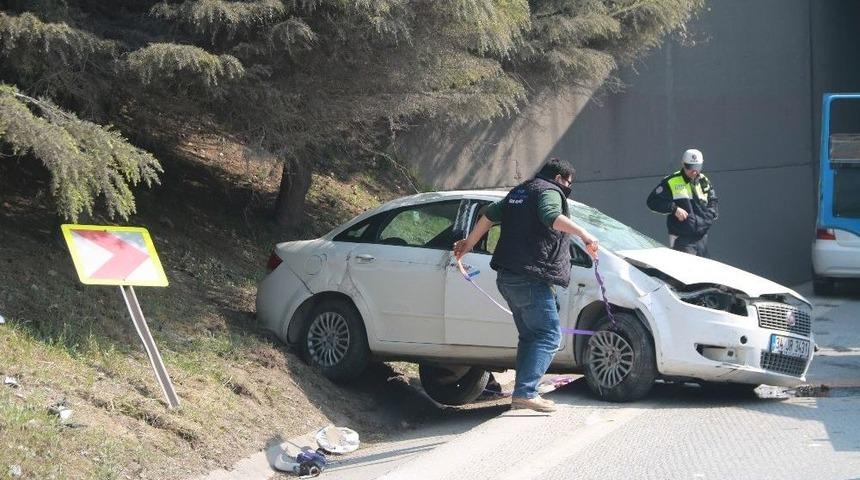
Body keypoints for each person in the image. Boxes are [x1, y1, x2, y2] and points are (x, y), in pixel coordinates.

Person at [453, 158, 598, 413]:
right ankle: (527, 393)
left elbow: (488, 215)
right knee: (548, 335)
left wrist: (469, 243)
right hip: (529, 276)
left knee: (532, 336)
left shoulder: (521, 190)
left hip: (508, 276)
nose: (568, 188)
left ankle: (524, 391)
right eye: (568, 184)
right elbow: (551, 216)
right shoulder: (550, 192)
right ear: (559, 178)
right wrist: (584, 235)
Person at [646, 148, 719, 257]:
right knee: (685, 272)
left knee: (703, 272)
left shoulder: (704, 180)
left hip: (702, 238)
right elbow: (652, 201)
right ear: (683, 164)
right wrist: (674, 209)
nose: (694, 171)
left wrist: (709, 215)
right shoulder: (671, 181)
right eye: (690, 167)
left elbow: (713, 200)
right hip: (681, 239)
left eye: (697, 167)